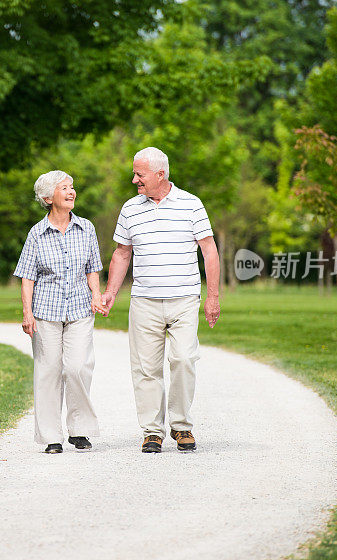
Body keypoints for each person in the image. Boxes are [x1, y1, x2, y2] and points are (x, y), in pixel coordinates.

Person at [100, 147, 220, 453]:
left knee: (183, 358)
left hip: (184, 299)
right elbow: (122, 252)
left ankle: (181, 427)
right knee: (145, 368)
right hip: (144, 301)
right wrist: (111, 292)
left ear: (160, 174)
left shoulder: (191, 205)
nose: (134, 180)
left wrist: (213, 297)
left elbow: (209, 250)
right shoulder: (130, 209)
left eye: (139, 174)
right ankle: (152, 431)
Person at [13, 170, 104, 454]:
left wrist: (97, 296)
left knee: (78, 368)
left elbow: (92, 268)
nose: (71, 192)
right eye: (64, 188)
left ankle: (80, 431)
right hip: (45, 312)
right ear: (48, 197)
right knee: (48, 372)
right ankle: (52, 437)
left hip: (79, 308)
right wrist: (27, 313)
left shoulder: (86, 228)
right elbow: (27, 277)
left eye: (72, 187)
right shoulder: (37, 234)